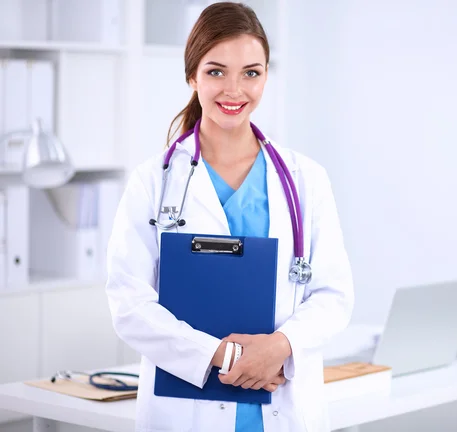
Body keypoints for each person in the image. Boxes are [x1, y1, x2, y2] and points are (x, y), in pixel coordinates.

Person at [105, 2, 353, 431]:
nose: (234, 89)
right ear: (192, 76)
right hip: (186, 410)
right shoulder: (153, 181)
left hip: (282, 407)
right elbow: (129, 304)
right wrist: (228, 357)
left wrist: (281, 345)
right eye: (216, 71)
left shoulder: (305, 179)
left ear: (266, 77)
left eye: (251, 73)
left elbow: (333, 296)